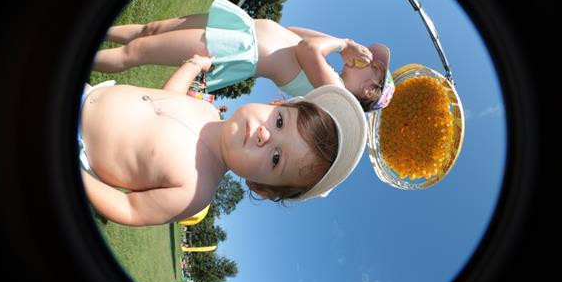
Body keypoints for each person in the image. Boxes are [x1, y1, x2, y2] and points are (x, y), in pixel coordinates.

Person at [79, 55, 367, 226]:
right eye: (279, 122)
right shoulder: (208, 110)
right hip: (90, 92)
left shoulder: (195, 191)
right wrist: (192, 65)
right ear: (275, 103)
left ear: (260, 187)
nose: (265, 135)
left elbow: (130, 209)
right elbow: (170, 97)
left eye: (276, 158)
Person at [93, 0, 395, 112]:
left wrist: (344, 43)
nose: (367, 57)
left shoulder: (334, 91)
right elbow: (294, 31)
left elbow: (306, 49)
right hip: (242, 27)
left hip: (236, 48)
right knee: (152, 29)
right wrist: (341, 46)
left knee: (136, 52)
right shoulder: (328, 65)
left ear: (370, 88)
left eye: (374, 66)